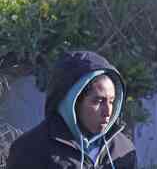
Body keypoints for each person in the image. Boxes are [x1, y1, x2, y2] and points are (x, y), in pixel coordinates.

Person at [7, 51, 136, 169]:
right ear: (72, 102)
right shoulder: (30, 149)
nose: (108, 111)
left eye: (111, 101)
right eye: (98, 101)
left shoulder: (123, 149)